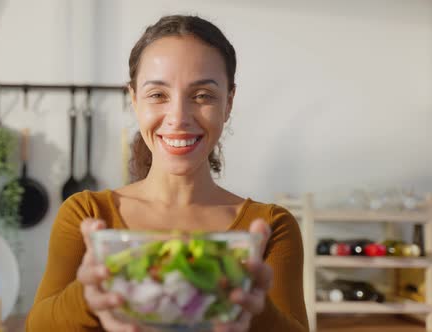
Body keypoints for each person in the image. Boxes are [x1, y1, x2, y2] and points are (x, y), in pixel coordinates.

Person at [26, 15, 308, 332]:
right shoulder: (86, 213)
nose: (178, 118)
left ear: (228, 103)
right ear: (134, 100)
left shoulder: (272, 227)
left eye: (202, 95)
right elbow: (37, 326)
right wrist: (86, 298)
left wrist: (252, 305)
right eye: (158, 95)